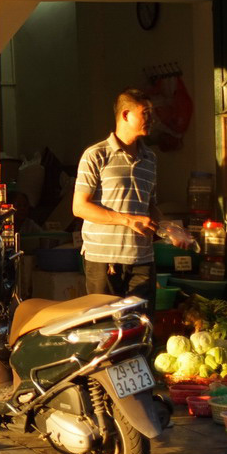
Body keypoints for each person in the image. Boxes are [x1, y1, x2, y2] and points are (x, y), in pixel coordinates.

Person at [72, 87, 165, 300]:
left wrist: (170, 231)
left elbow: (149, 206)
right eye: (145, 112)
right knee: (104, 329)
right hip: (104, 260)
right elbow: (79, 207)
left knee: (140, 326)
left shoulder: (150, 158)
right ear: (125, 115)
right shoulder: (96, 155)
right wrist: (128, 220)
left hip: (142, 259)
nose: (152, 118)